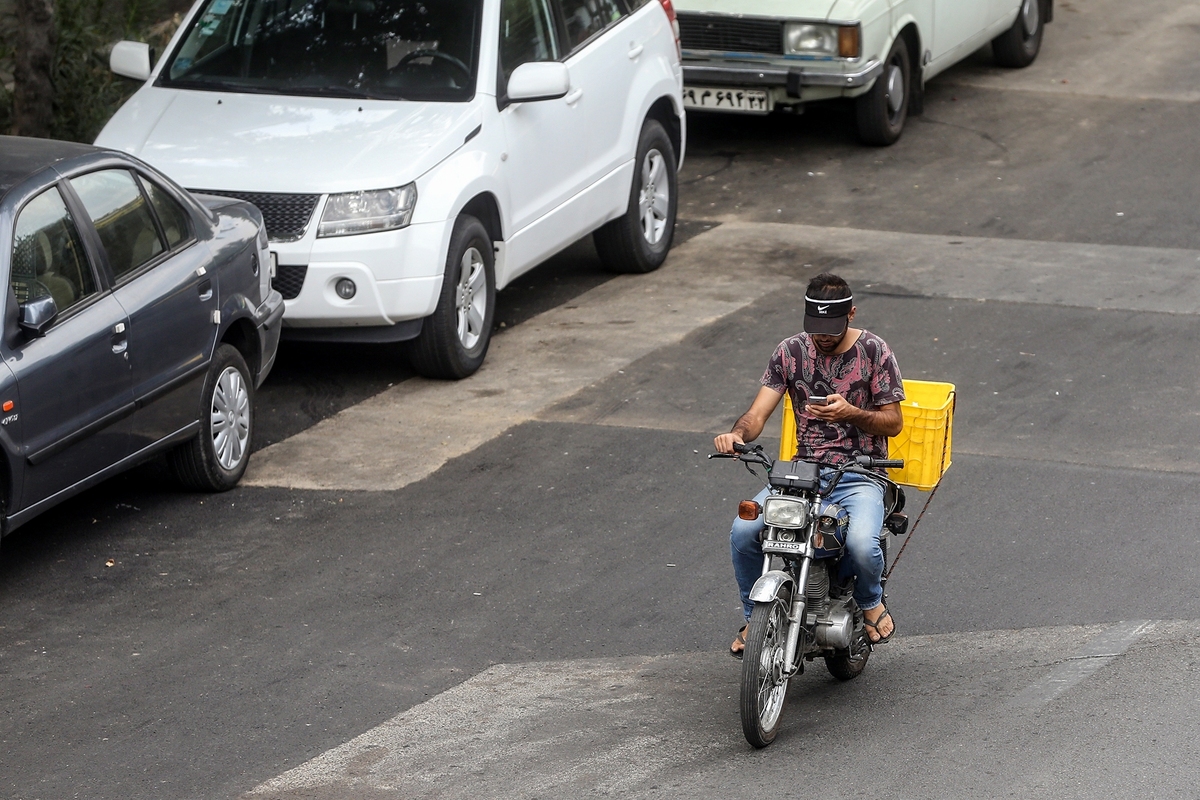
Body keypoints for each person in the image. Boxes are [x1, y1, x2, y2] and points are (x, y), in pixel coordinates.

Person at [713, 273, 905, 658]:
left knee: (862, 546)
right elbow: (756, 415)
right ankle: (755, 616)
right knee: (744, 530)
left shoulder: (874, 351)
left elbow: (894, 422)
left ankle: (870, 601)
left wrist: (851, 413)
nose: (822, 337)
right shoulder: (790, 352)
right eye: (815, 328)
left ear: (850, 315)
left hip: (859, 473)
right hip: (803, 474)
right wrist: (736, 435)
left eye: (831, 329)